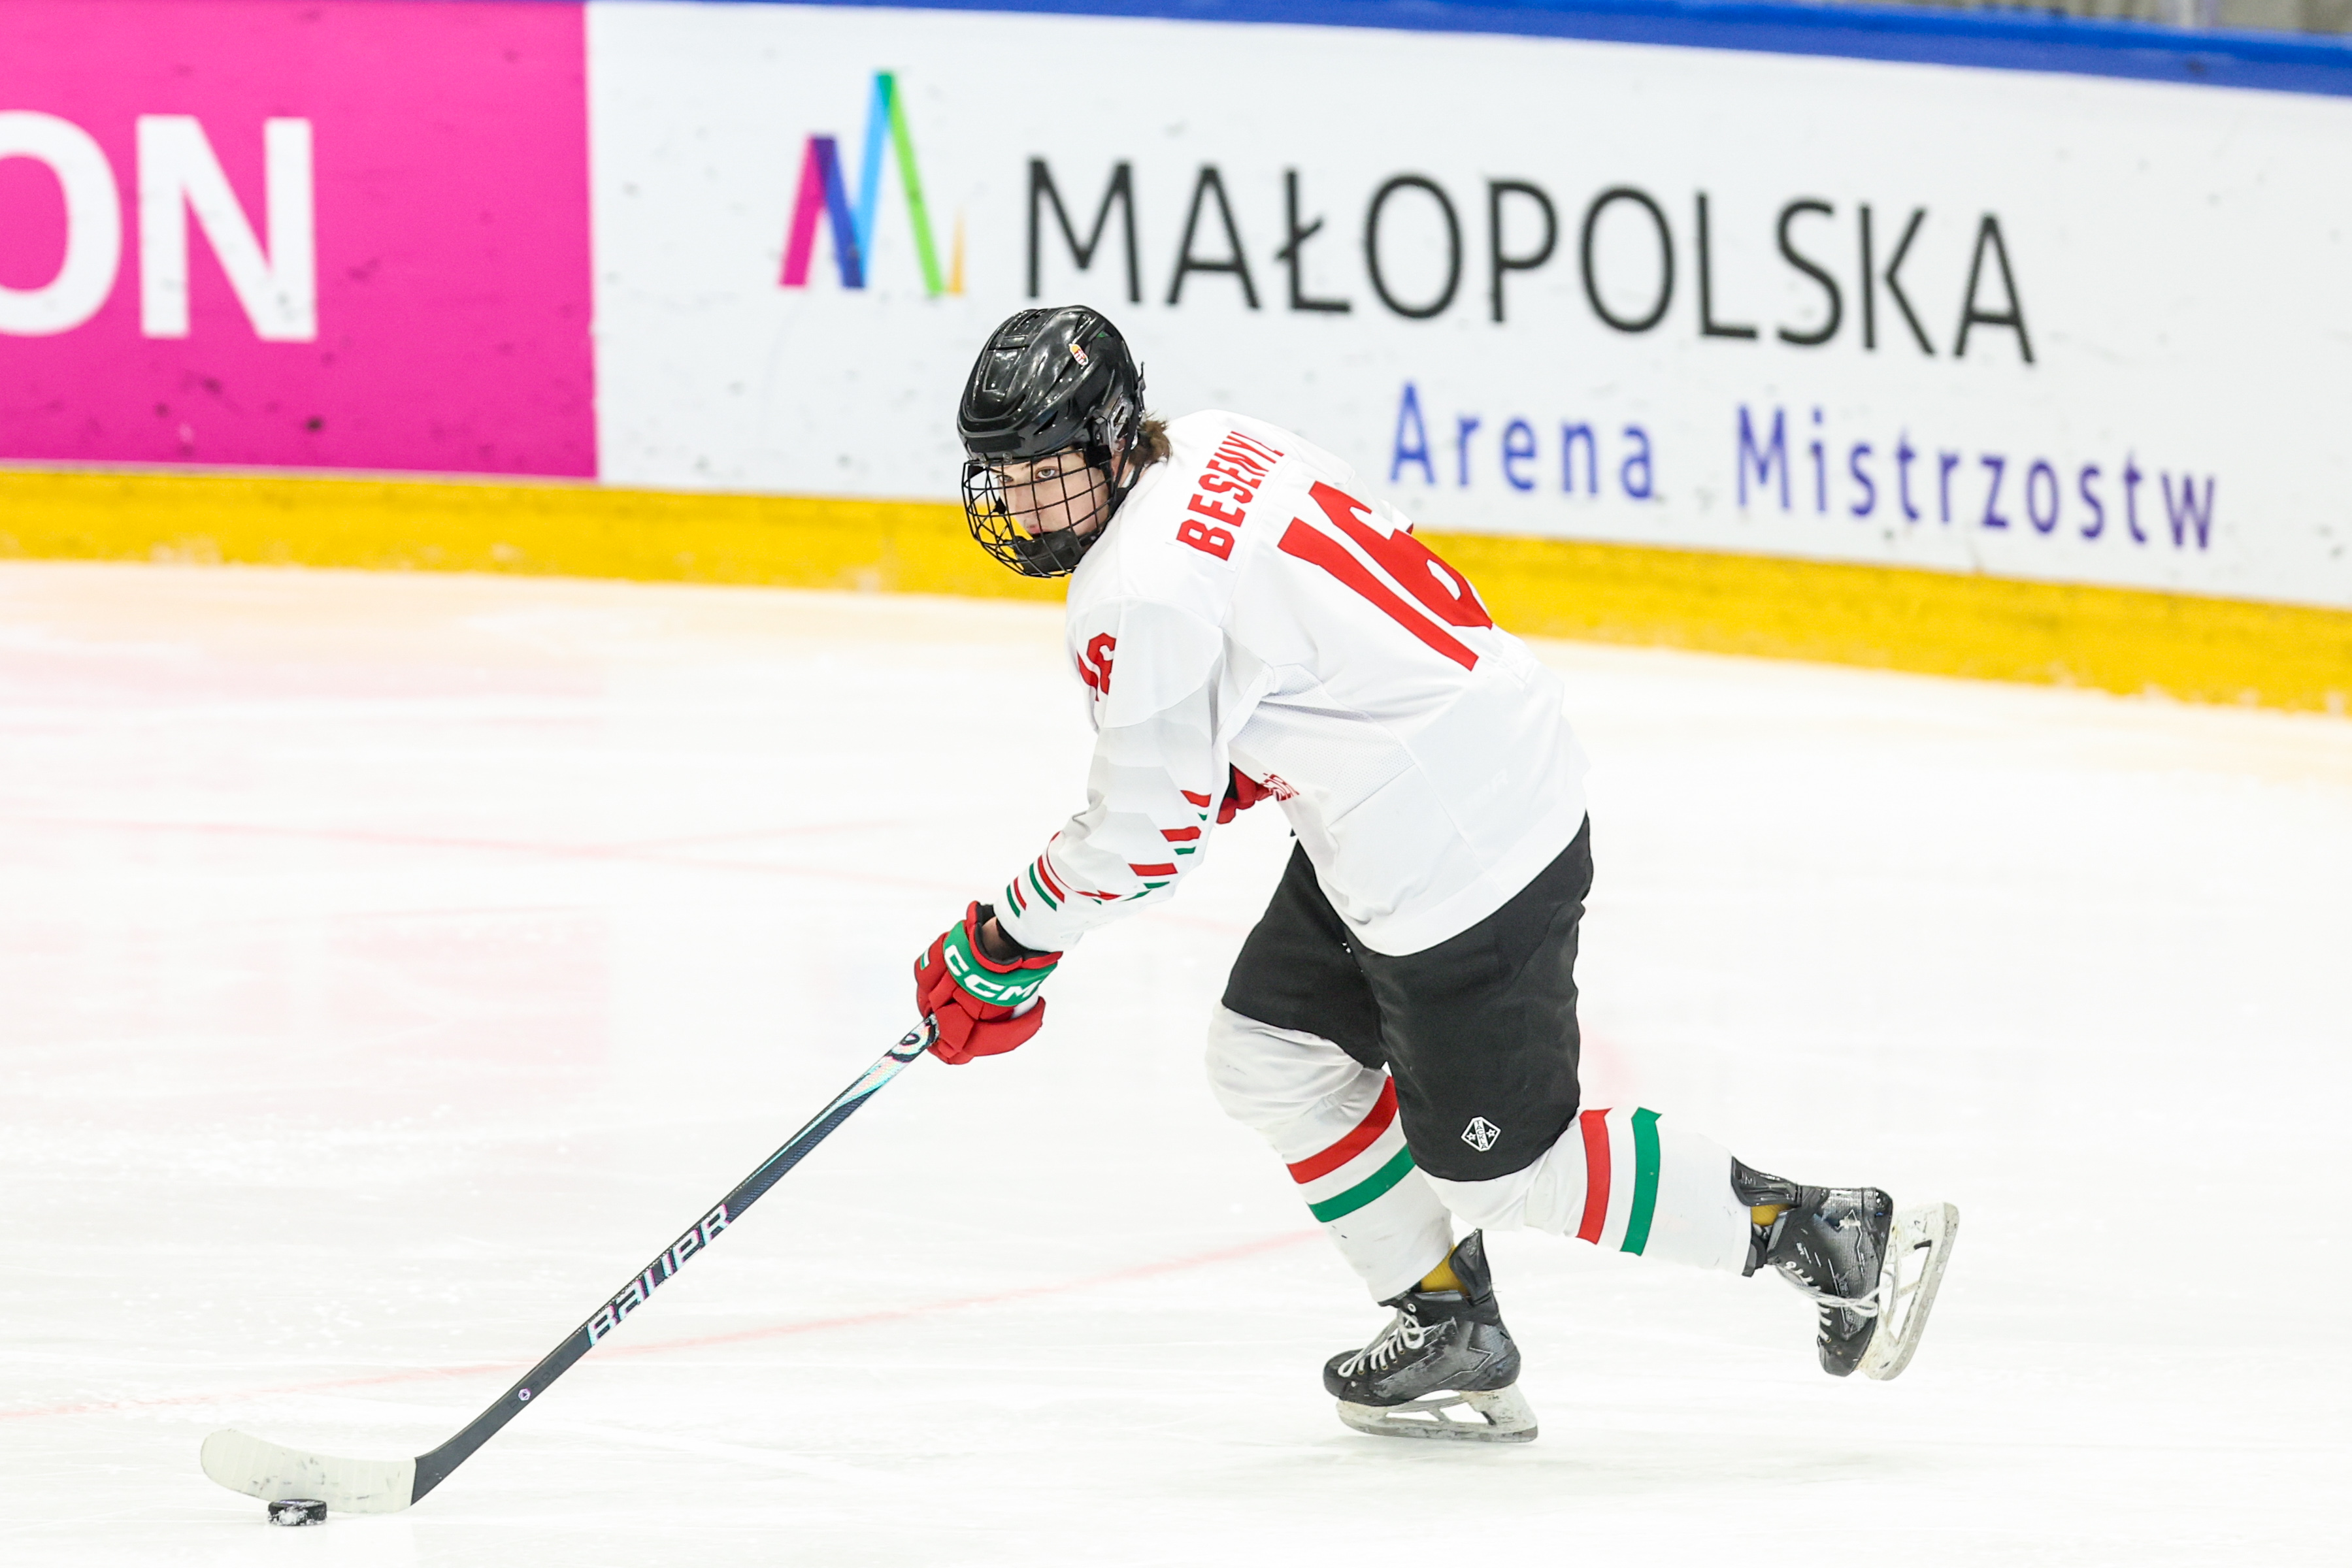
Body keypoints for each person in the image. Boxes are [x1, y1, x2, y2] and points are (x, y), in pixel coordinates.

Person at [910, 305, 1958, 1443]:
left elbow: (1143, 837)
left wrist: (1006, 941)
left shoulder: (1135, 589)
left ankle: (1824, 1233)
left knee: (1509, 1169)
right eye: (1005, 479)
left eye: (1047, 474)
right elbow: (1329, 608)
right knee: (1269, 1054)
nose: (1024, 507)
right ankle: (1445, 1316)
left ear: (1115, 439)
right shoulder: (1218, 442)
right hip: (1437, 776)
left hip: (1456, 856)